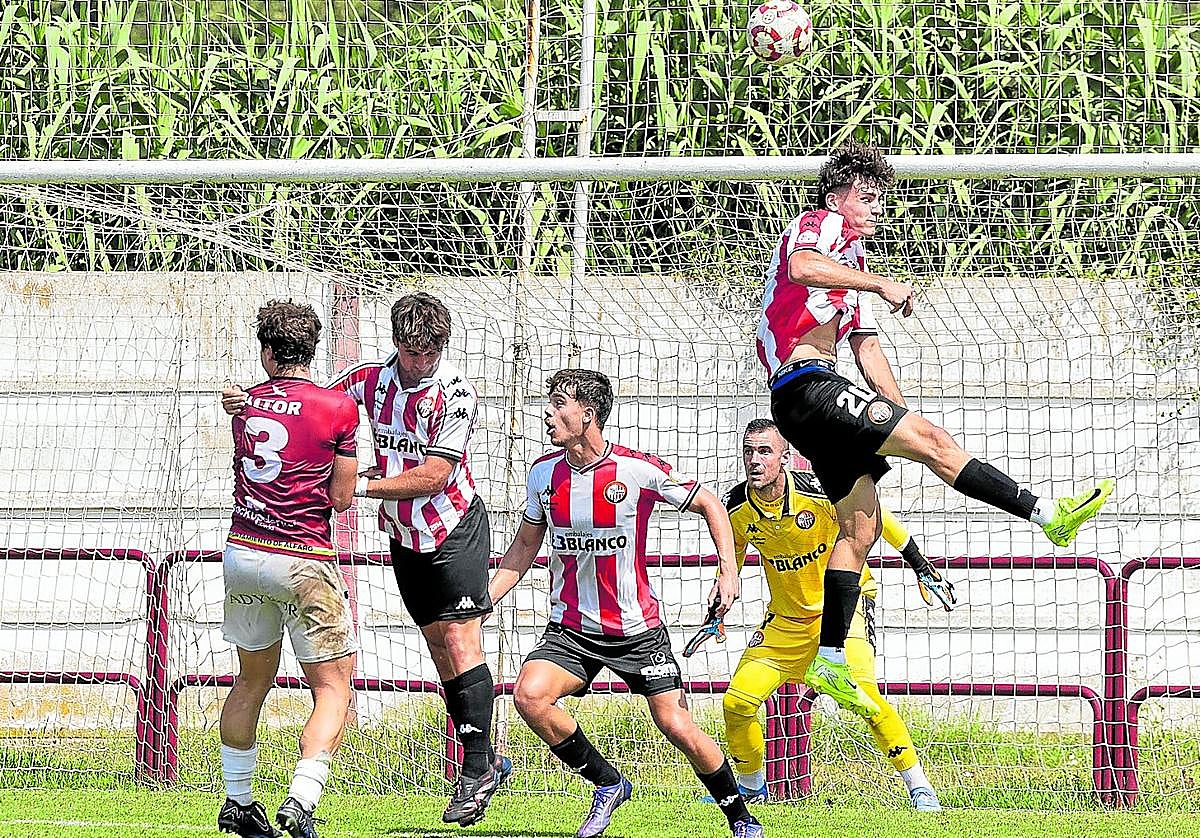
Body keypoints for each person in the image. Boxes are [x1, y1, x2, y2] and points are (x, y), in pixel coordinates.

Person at [756, 139, 1114, 718]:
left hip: (811, 401)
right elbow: (800, 268)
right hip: (803, 386)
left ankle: (826, 658)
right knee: (937, 445)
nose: (876, 208)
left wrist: (899, 418)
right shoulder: (818, 226)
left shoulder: (856, 268)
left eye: (879, 199)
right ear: (837, 195)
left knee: (861, 529)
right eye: (866, 197)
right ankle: (1047, 515)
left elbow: (866, 347)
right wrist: (880, 286)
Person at [224, 293, 508, 828]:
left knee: (460, 641)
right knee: (438, 650)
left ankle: (474, 769)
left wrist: (355, 485)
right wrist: (243, 398)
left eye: (432, 351)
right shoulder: (366, 380)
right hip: (404, 533)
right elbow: (303, 404)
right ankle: (486, 759)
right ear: (396, 344)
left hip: (454, 525)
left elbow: (435, 476)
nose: (422, 361)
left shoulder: (457, 393)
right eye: (412, 351)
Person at [489, 369, 765, 838]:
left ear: (588, 415)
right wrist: (484, 600)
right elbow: (523, 548)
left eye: (560, 405)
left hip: (636, 630)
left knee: (675, 723)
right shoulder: (542, 474)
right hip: (571, 629)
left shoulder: (636, 470)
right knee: (529, 696)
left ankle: (741, 817)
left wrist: (728, 570)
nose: (548, 413)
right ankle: (607, 783)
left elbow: (712, 504)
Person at [711, 418, 945, 811]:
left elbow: (876, 517)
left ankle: (920, 788)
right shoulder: (736, 508)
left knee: (865, 696)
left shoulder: (819, 491)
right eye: (748, 452)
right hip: (786, 622)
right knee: (737, 702)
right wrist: (718, 604)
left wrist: (918, 562)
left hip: (842, 613)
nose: (755, 460)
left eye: (765, 451)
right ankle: (751, 789)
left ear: (785, 456)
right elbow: (729, 563)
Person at [218, 300, 360, 838]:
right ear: (311, 350)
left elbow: (251, 414)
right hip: (302, 558)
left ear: (268, 352)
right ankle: (301, 800)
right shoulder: (339, 407)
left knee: (251, 680)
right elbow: (342, 498)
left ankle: (238, 800)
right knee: (333, 688)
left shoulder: (245, 403)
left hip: (243, 553)